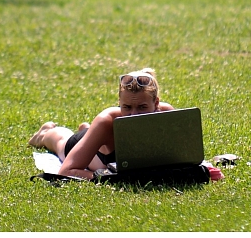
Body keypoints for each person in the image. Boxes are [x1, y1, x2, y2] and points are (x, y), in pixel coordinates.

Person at [28, 67, 174, 180]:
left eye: (142, 107)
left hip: (98, 138)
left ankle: (88, 130)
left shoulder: (168, 115)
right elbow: (66, 172)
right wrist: (108, 177)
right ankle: (45, 132)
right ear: (119, 103)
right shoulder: (107, 120)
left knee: (91, 133)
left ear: (156, 103)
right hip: (86, 147)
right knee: (59, 139)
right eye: (127, 107)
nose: (133, 115)